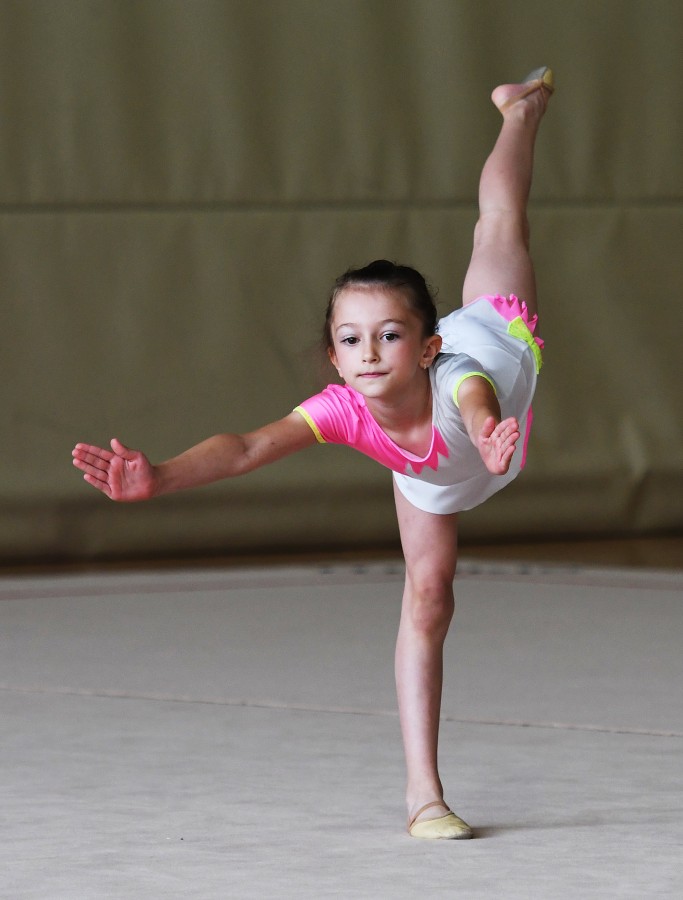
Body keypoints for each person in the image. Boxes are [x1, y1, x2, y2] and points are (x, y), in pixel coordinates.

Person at [72, 66, 554, 840]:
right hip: (429, 469)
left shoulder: (458, 373)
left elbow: (473, 405)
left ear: (424, 345)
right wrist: (158, 477)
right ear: (333, 357)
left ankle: (519, 114)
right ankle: (423, 796)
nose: (370, 352)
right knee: (428, 598)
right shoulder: (343, 408)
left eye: (389, 335)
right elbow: (245, 448)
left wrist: (490, 436)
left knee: (499, 226)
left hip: (494, 356)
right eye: (351, 339)